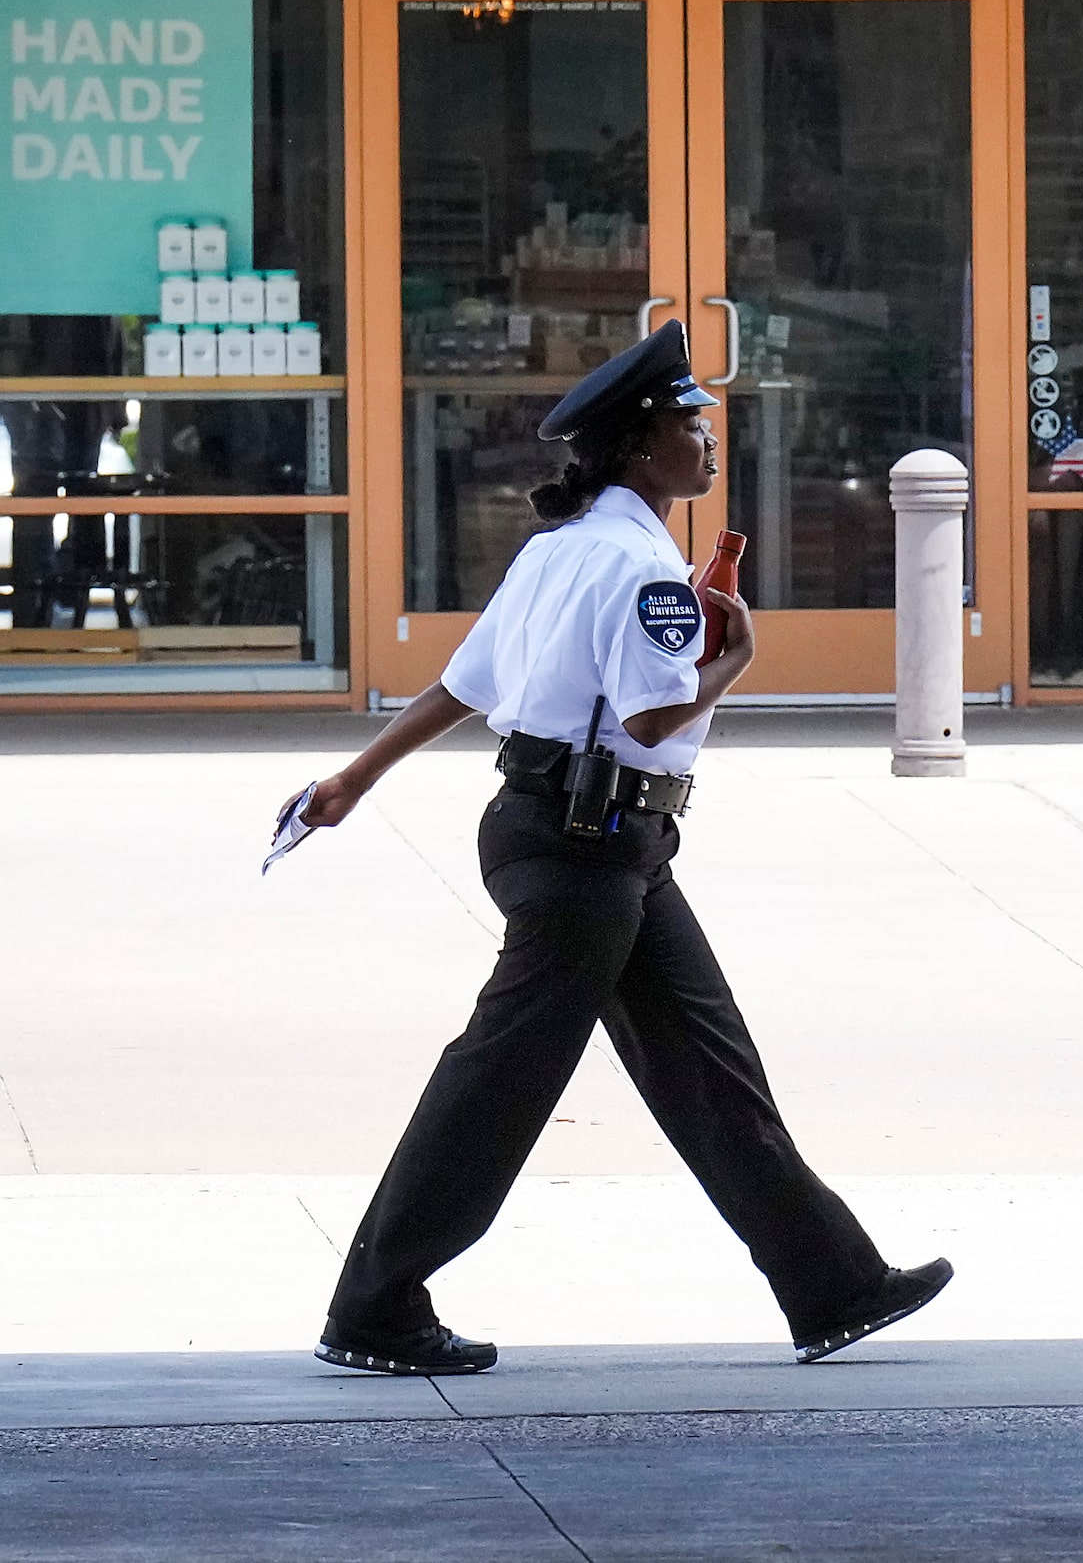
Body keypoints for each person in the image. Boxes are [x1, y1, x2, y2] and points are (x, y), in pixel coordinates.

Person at [296, 320, 950, 1377]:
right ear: (642, 448)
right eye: (691, 422)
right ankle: (373, 1308)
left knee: (708, 1066)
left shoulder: (557, 550)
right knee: (498, 1084)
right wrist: (734, 660)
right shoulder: (645, 569)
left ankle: (833, 1282)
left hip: (575, 837)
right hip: (587, 848)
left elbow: (462, 684)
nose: (708, 435)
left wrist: (353, 780)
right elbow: (649, 722)